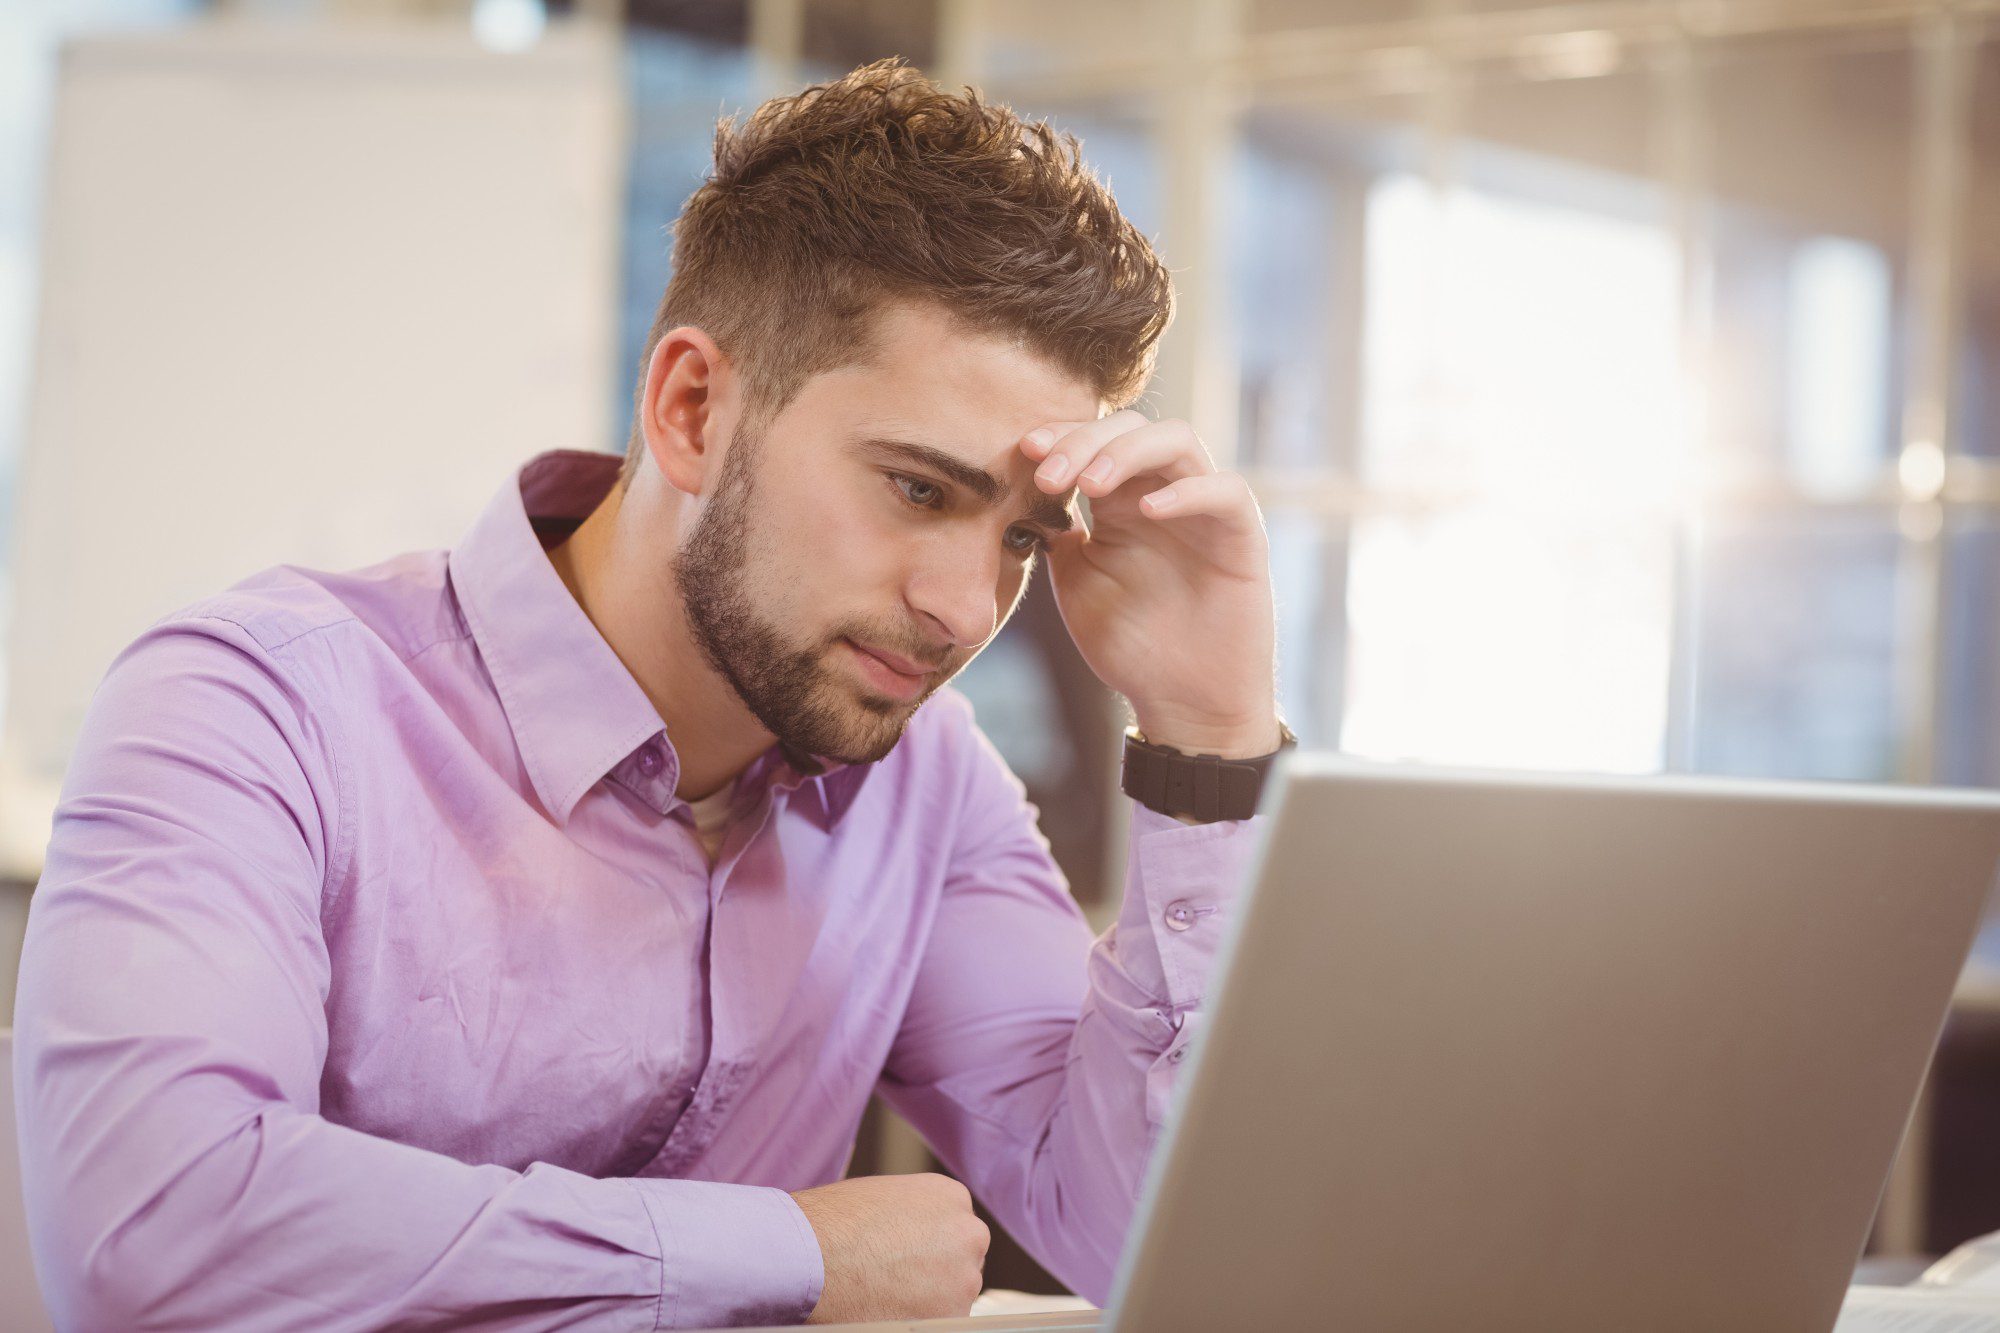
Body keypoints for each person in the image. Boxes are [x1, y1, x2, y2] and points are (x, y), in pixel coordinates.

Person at [12, 58, 1286, 1330]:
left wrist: (1207, 742)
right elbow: (154, 1245)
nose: (966, 608)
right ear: (691, 408)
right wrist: (786, 1252)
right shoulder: (255, 708)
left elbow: (1143, 1237)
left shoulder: (926, 785)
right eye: (915, 487)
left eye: (1019, 537)